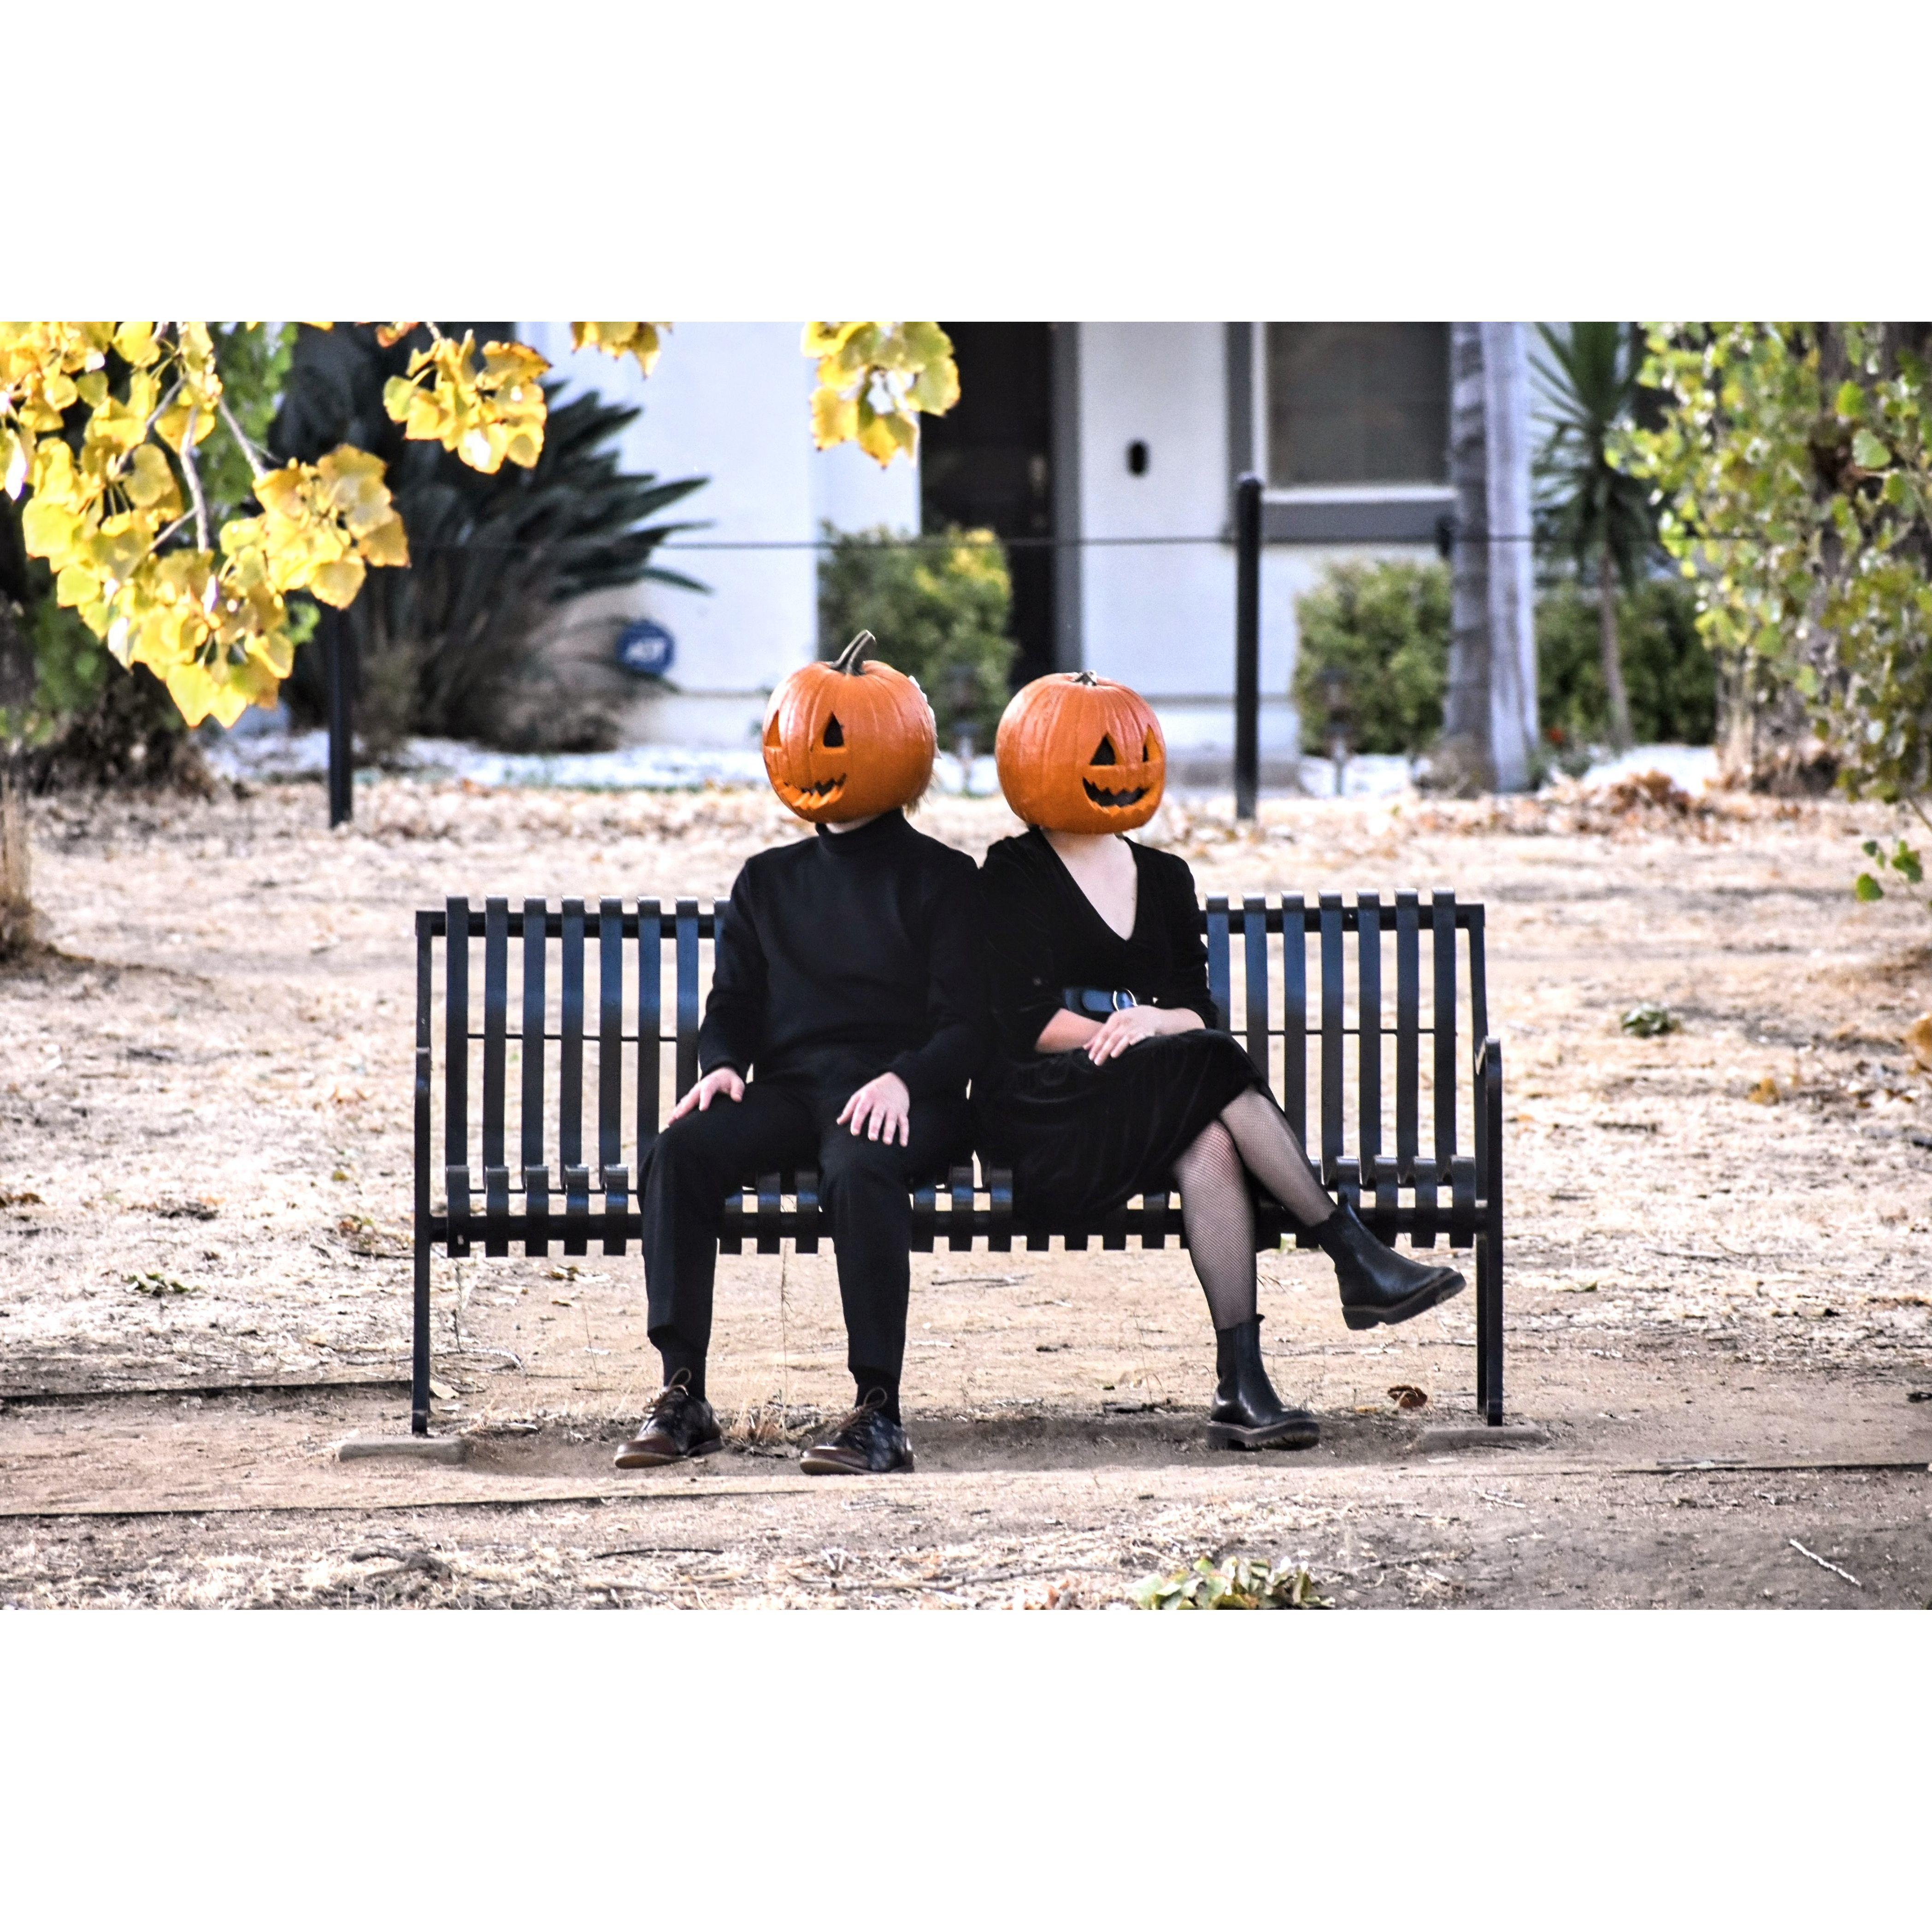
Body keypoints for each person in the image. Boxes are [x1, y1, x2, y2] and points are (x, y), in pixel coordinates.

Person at [976, 674, 1464, 1452]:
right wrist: (1124, 1036)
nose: (1121, 765)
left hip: (1153, 1095)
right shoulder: (1012, 872)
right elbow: (1019, 1020)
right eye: (1099, 752)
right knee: (1206, 1064)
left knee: (1209, 1140)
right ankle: (1348, 1251)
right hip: (1050, 1110)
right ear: (1035, 761)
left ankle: (1242, 1386)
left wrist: (1152, 1024)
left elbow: (1194, 1010)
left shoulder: (1165, 878)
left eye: (1135, 749)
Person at [616, 637, 984, 1476]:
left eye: (837, 736)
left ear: (901, 747)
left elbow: (970, 1026)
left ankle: (879, 1413)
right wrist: (721, 1064)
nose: (815, 753)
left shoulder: (943, 879)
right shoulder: (767, 881)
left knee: (858, 1166)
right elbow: (733, 1004)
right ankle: (683, 1394)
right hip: (792, 1091)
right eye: (803, 735)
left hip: (905, 1097)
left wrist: (905, 1079)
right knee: (679, 1152)